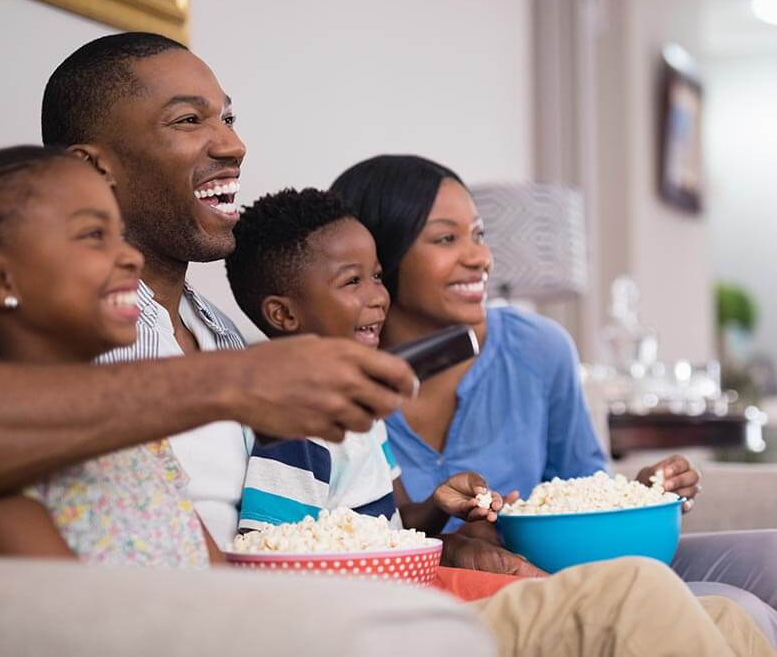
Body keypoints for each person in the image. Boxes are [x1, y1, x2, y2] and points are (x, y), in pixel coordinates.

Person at [0, 34, 417, 550]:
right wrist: (229, 384)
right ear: (94, 167)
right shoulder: (19, 325)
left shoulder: (218, 328)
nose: (233, 145)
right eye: (189, 120)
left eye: (227, 118)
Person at [330, 153, 777, 635]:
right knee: (736, 611)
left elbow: (587, 490)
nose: (480, 257)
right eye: (446, 239)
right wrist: (452, 540)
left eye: (479, 235)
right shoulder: (330, 382)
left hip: (577, 564)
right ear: (379, 259)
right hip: (491, 595)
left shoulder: (538, 348)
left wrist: (638, 496)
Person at [0, 144, 228, 568]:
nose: (130, 257)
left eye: (120, 235)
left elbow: (218, 575)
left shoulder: (130, 421)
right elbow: (63, 610)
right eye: (94, 236)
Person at [225, 187, 505, 535]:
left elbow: (400, 520)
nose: (378, 297)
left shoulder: (362, 411)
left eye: (376, 276)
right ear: (283, 314)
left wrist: (438, 504)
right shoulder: (295, 426)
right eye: (352, 281)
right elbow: (269, 548)